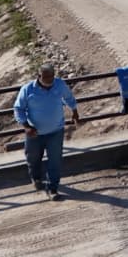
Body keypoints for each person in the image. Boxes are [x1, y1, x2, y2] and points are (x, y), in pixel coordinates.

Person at [12, 62, 81, 200]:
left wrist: (74, 111)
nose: (50, 80)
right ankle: (36, 178)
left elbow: (68, 97)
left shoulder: (59, 84)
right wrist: (26, 126)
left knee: (55, 160)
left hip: (55, 131)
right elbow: (18, 109)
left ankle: (53, 188)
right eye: (47, 77)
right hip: (34, 133)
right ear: (39, 76)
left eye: (52, 76)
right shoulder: (28, 89)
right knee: (33, 158)